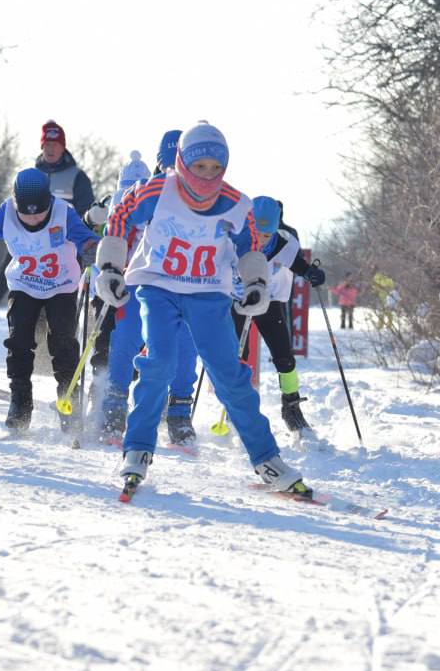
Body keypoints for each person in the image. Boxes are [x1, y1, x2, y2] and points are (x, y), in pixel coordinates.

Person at [98, 121, 312, 498]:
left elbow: (250, 249)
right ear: (182, 163)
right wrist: (112, 268)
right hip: (158, 285)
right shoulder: (153, 191)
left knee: (230, 374)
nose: (207, 177)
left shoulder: (236, 203)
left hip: (208, 291)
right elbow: (118, 219)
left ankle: (267, 458)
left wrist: (257, 284)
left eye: (216, 168)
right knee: (159, 362)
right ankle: (137, 449)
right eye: (199, 167)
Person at [0, 167, 97, 432]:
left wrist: (91, 249)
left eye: (39, 214)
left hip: (62, 286)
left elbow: (86, 238)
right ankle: (20, 404)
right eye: (26, 214)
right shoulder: (6, 212)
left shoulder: (63, 213)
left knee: (63, 343)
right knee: (19, 341)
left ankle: (69, 403)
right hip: (24, 284)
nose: (32, 219)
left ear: (49, 202)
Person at [100, 147, 200, 445]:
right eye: (169, 166)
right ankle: (114, 406)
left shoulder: (204, 197)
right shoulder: (145, 192)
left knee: (185, 344)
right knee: (127, 336)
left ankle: (179, 411)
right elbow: (116, 225)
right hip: (139, 277)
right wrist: (110, 268)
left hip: (184, 283)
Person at [0, 120, 94, 341]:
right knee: (8, 283)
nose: (50, 149)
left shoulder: (77, 177)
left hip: (59, 244)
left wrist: (84, 244)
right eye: (46, 144)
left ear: (63, 147)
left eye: (55, 144)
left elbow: (86, 216)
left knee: (58, 298)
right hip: (24, 239)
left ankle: (58, 343)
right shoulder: (31, 173)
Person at [234, 196, 326, 436]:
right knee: (237, 357)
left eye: (267, 234)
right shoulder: (236, 240)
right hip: (239, 300)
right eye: (257, 232)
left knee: (284, 356)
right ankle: (239, 406)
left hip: (271, 301)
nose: (262, 240)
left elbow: (298, 265)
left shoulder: (283, 244)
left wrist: (311, 274)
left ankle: (291, 406)